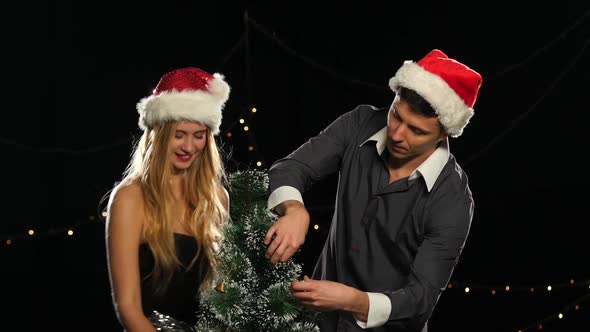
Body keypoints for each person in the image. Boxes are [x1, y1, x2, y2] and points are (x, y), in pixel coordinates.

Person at [263, 49, 482, 331]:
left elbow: (420, 300)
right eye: (396, 115)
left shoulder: (453, 199)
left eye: (416, 131)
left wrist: (354, 300)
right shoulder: (359, 123)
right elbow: (290, 168)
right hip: (318, 324)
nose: (397, 134)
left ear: (445, 133)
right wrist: (294, 209)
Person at [104, 67, 231, 331]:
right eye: (179, 135)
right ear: (159, 136)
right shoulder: (130, 198)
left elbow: (222, 293)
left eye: (199, 136)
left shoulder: (216, 198)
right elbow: (127, 308)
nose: (189, 147)